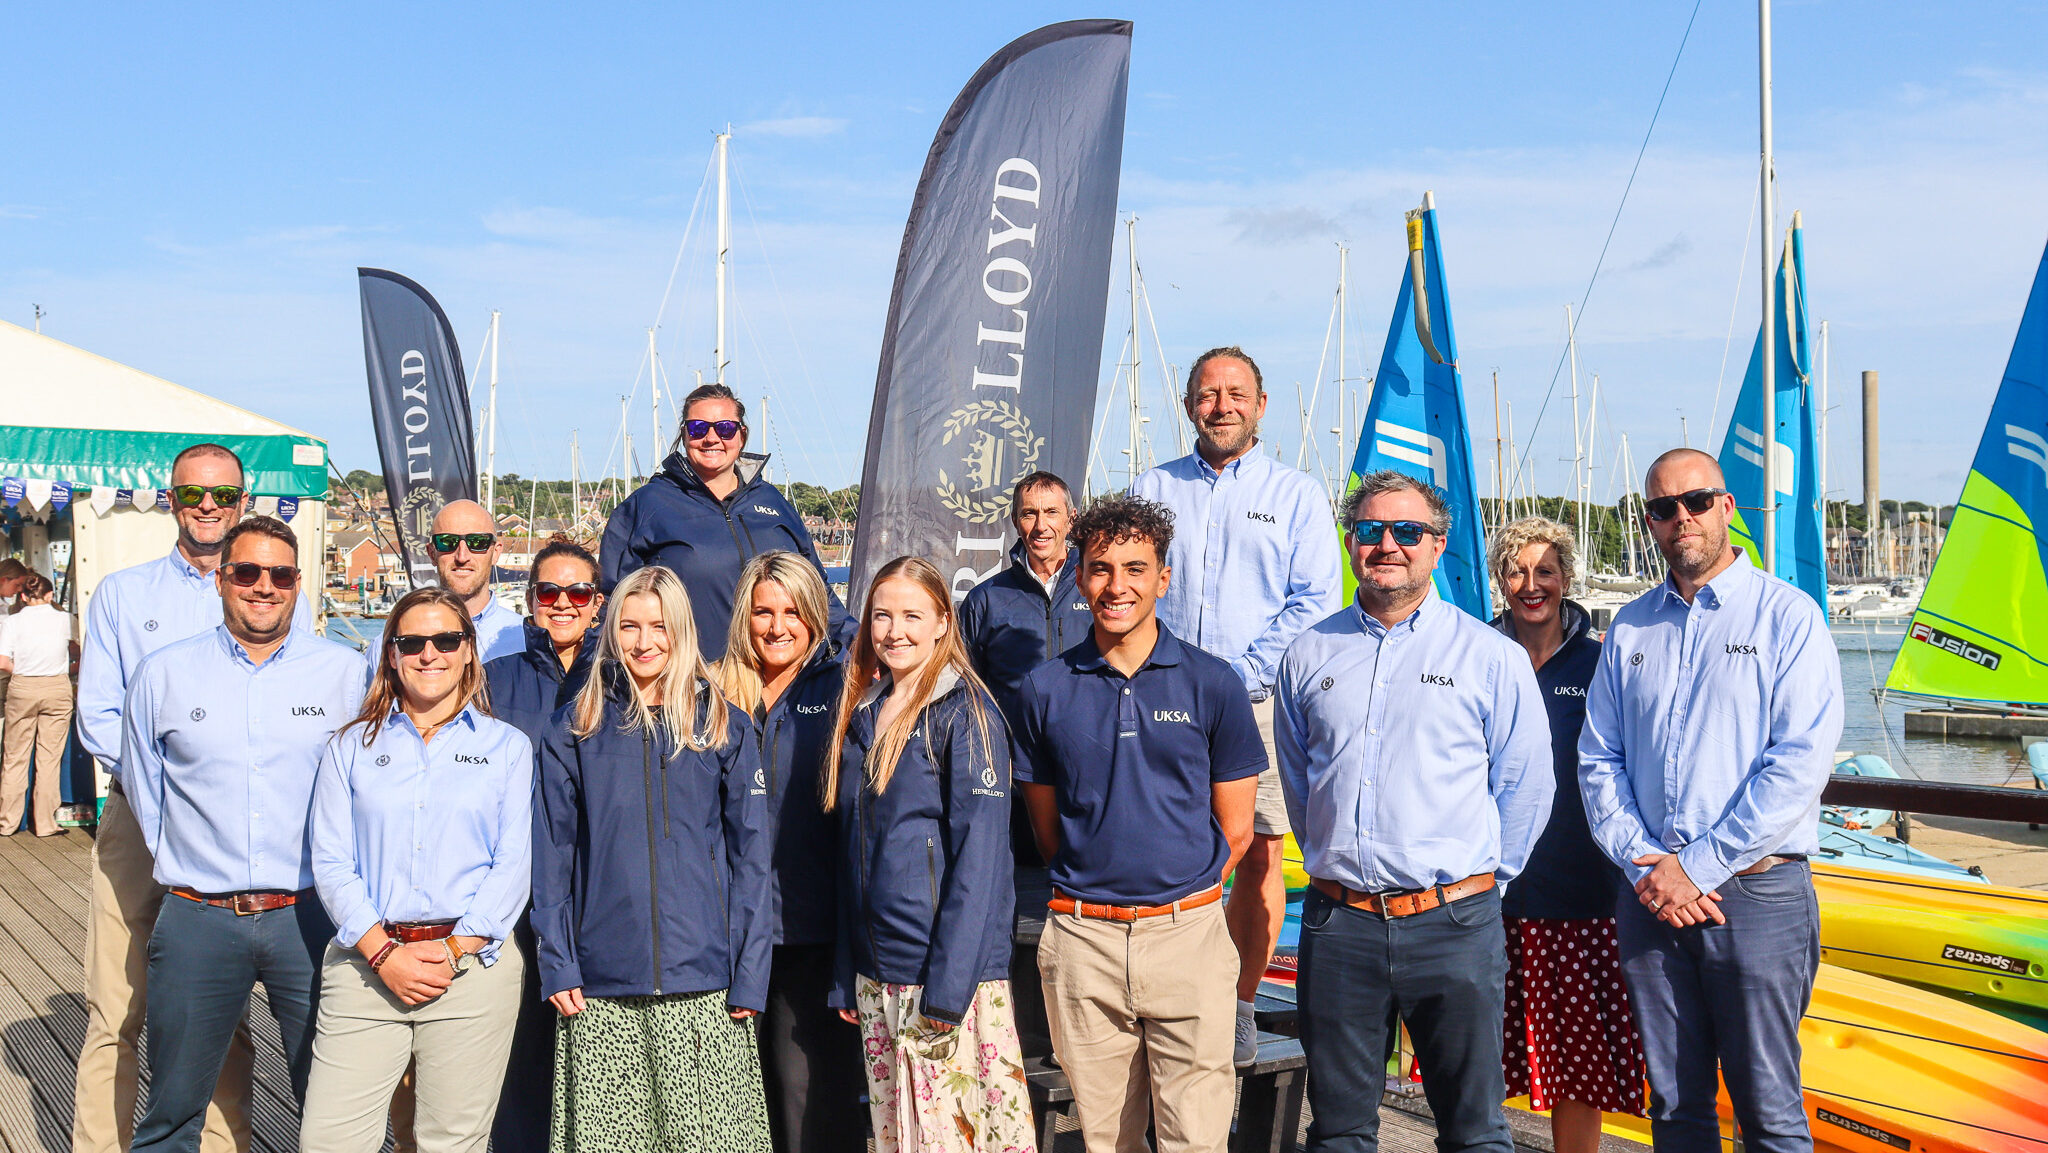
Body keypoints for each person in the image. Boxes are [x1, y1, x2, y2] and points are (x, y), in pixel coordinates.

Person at [1275, 470, 1553, 1153]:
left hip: (1455, 923)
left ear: (1437, 545)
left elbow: (1527, 784)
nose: (1388, 544)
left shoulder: (1491, 655)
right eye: (1371, 530)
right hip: (1341, 924)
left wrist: (1480, 889)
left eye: (1408, 531)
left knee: (1475, 1131)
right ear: (1350, 544)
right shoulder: (1309, 654)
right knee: (1338, 1130)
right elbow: (1299, 782)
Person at [1578, 449, 1843, 1153]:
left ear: (1727, 506)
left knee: (1769, 1109)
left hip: (1756, 894)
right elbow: (1598, 758)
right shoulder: (1631, 628)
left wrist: (1695, 866)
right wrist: (1648, 867)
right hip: (1649, 897)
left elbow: (1798, 764)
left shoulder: (1790, 618)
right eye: (1664, 508)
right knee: (1674, 1107)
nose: (1682, 518)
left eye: (1696, 501)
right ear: (1650, 523)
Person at [1011, 495, 1264, 1153]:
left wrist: (1175, 901)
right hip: (1082, 942)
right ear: (1077, 573)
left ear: (1163, 577)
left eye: (1135, 567)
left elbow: (1236, 830)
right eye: (1099, 568)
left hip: (1189, 938)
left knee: (1196, 1141)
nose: (1116, 585)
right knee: (1106, 1141)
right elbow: (1048, 829)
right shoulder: (1043, 690)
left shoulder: (1214, 684)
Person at [75, 443, 308, 1153]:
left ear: (243, 501)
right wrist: (169, 811)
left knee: (222, 1009)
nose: (208, 506)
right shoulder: (124, 593)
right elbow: (99, 719)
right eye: (192, 494)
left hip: (245, 833)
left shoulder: (268, 582)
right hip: (139, 823)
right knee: (115, 1009)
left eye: (222, 495)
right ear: (171, 500)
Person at [122, 516, 367, 1153]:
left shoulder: (345, 673)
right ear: (221, 579)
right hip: (198, 917)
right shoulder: (163, 674)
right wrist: (188, 865)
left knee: (333, 1106)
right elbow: (148, 792)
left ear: (298, 584)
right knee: (172, 1113)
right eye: (247, 572)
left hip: (312, 916)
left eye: (280, 574)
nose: (264, 586)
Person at [1131, 345, 1342, 1065]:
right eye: (1207, 393)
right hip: (1162, 702)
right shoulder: (1153, 487)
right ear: (1190, 403)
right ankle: (1169, 1002)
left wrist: (1236, 674)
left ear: (1259, 405)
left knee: (1256, 855)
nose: (1221, 405)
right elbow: (1129, 587)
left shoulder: (1297, 494)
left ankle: (1241, 1005)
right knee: (1164, 852)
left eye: (1235, 393)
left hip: (1260, 706)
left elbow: (1315, 600)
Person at [533, 564, 773, 1153]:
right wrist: (559, 961)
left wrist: (750, 974)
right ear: (612, 631)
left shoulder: (722, 726)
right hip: (602, 986)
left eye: (659, 627)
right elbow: (551, 857)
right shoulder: (575, 727)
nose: (644, 643)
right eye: (630, 627)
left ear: (682, 631)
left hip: (706, 984)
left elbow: (753, 863)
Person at [301, 586, 533, 1153]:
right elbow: (331, 860)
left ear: (469, 652)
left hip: (472, 967)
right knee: (330, 1140)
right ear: (391, 654)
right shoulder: (349, 747)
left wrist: (453, 950)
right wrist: (384, 953)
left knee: (449, 1143)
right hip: (367, 963)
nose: (430, 653)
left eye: (446, 639)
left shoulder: (508, 748)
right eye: (412, 642)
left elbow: (513, 864)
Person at [824, 556, 1032, 1153]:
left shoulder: (967, 712)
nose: (895, 631)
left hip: (943, 981)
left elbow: (981, 863)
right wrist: (849, 972)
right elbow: (854, 856)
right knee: (900, 1139)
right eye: (882, 616)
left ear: (944, 621)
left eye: (913, 616)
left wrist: (946, 990)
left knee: (955, 1141)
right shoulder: (863, 711)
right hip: (878, 975)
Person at [1486, 519, 1644, 1153]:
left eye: (1545, 571)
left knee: (1579, 1071)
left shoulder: (1602, 661)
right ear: (1500, 579)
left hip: (1583, 894)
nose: (1532, 585)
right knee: (1478, 1063)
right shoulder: (1476, 654)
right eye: (1517, 571)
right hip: (1488, 893)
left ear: (1567, 578)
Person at [716, 552, 864, 1153]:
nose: (777, 626)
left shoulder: (844, 691)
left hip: (809, 936)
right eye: (763, 611)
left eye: (793, 612)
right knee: (736, 1111)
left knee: (811, 1110)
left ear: (816, 616)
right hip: (722, 939)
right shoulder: (710, 693)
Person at [480, 536, 602, 1153]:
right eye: (548, 591)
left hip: (596, 891)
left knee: (591, 1053)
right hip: (515, 894)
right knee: (521, 1052)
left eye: (577, 591)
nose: (562, 602)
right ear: (529, 601)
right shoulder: (493, 680)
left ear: (597, 601)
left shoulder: (620, 677)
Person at [600, 383, 852, 662]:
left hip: (781, 684)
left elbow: (817, 589)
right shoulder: (645, 506)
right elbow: (612, 605)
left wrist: (857, 642)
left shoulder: (773, 502)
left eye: (725, 428)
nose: (711, 438)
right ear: (684, 435)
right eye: (698, 428)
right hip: (696, 683)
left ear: (741, 436)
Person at [960, 471, 1093, 868]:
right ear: (1015, 522)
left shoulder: (1099, 586)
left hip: (1088, 761)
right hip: (1013, 773)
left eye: (1051, 512)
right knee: (1015, 885)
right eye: (1029, 514)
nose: (1041, 525)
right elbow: (965, 689)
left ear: (1071, 518)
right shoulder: (986, 599)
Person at [0, 571, 77, 836]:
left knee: (15, 758)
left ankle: (7, 823)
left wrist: (22, 671)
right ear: (50, 595)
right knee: (49, 759)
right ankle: (45, 824)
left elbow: (2, 661)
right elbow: (84, 649)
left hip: (22, 686)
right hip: (56, 686)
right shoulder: (66, 620)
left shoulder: (12, 622)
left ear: (22, 596)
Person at [412, 500, 526, 664]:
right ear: (431, 553)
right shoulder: (396, 642)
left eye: (477, 543)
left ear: (496, 552)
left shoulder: (526, 640)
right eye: (447, 542)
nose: (462, 557)